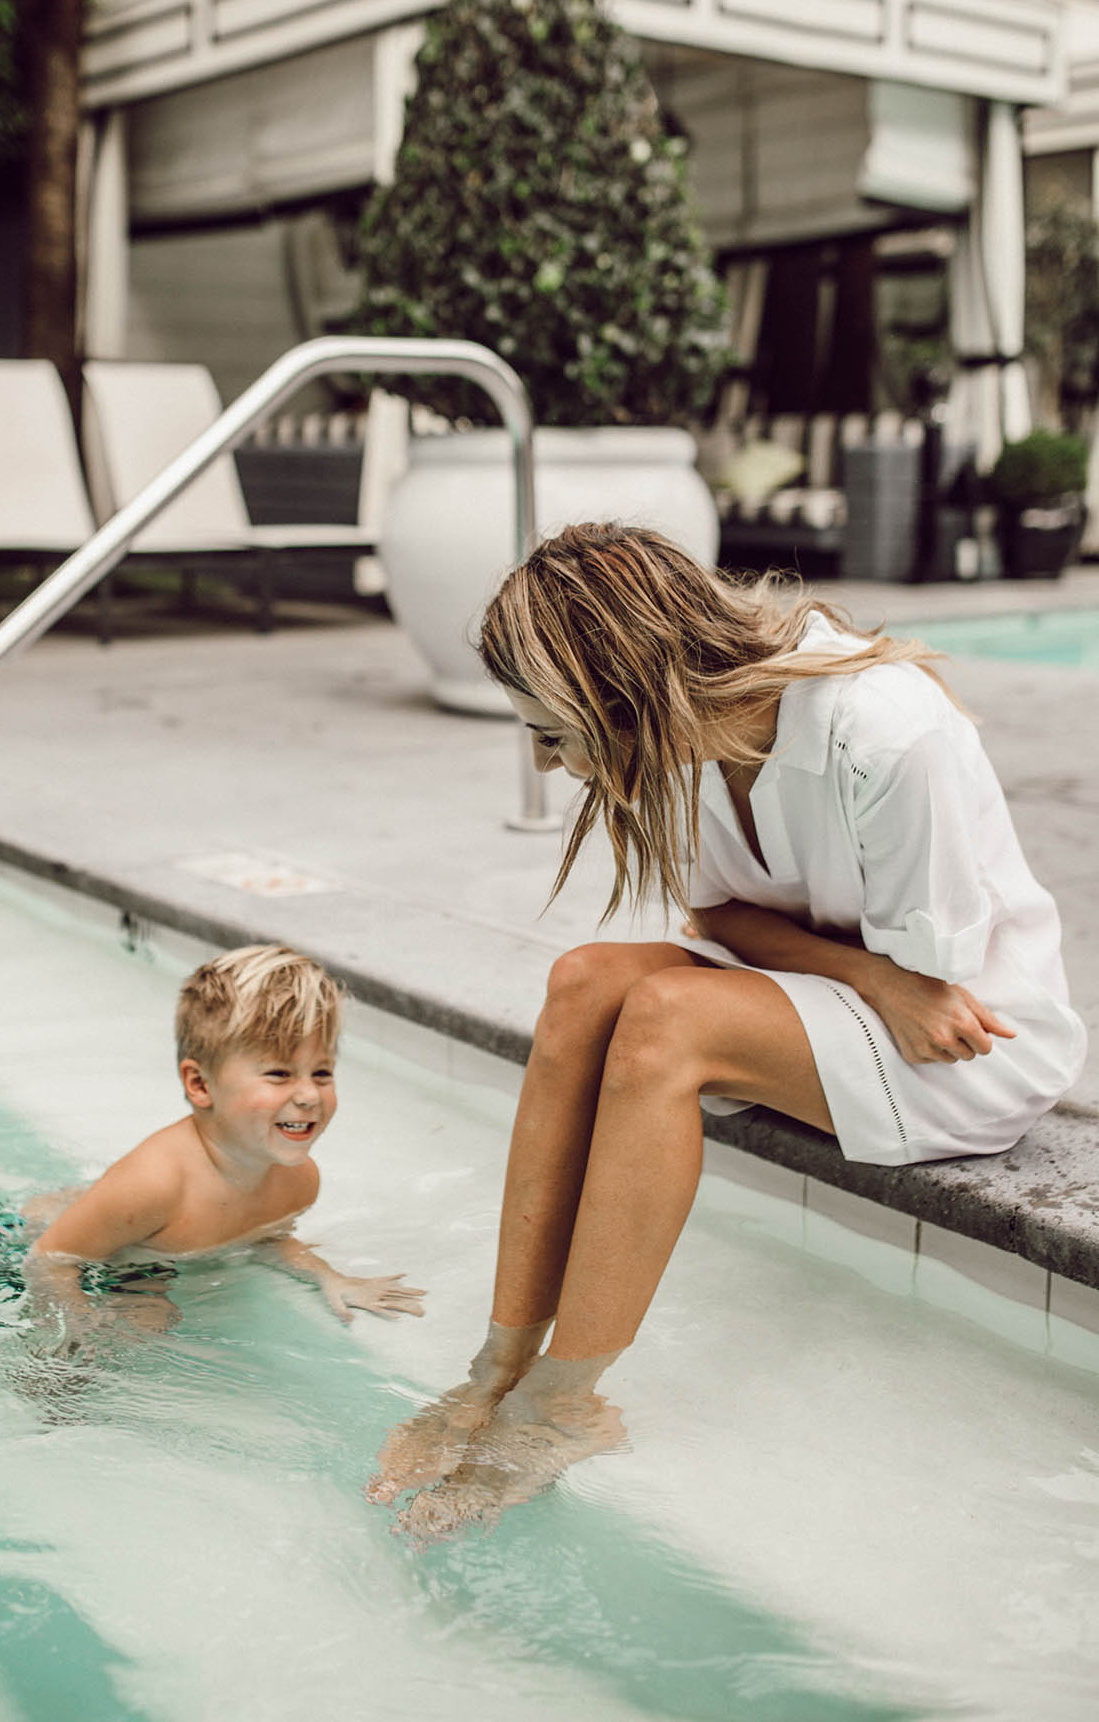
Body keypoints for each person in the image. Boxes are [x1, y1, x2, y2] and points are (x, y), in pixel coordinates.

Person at [370, 522, 1085, 1539]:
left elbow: (929, 991)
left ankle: (566, 1402)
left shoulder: (884, 731)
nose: (546, 760)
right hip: (853, 991)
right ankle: (498, 1366)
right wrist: (862, 973)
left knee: (669, 1019)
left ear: (618, 693)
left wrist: (876, 980)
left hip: (969, 1041)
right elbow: (721, 919)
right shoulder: (689, 731)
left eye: (553, 732)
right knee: (584, 984)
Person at [0, 943, 425, 1348]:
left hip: (137, 1250)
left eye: (322, 1072)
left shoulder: (298, 1179)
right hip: (36, 1239)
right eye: (279, 1074)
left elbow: (263, 1234)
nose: (309, 1095)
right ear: (200, 1085)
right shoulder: (156, 1182)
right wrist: (70, 1328)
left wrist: (327, 1276)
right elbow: (49, 1261)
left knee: (150, 1327)